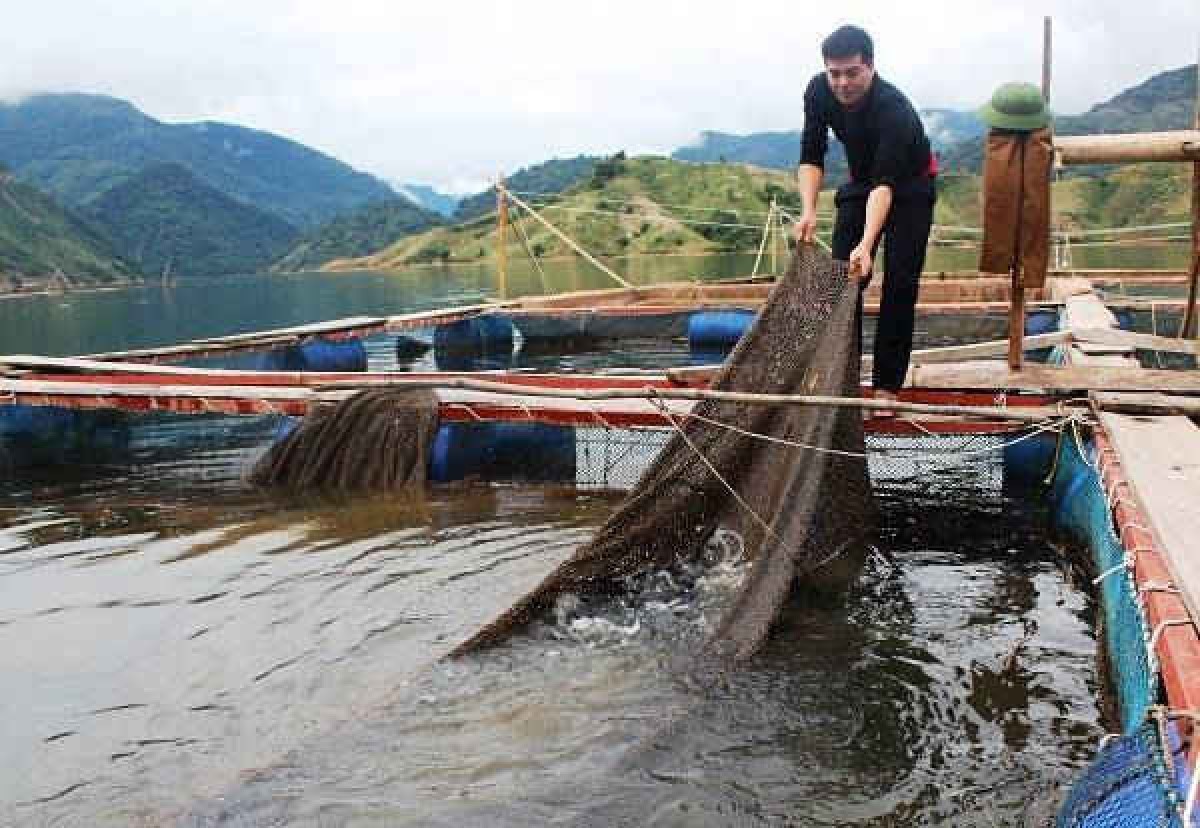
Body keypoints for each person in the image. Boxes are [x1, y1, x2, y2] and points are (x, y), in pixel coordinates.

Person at [793, 24, 937, 410]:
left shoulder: (894, 107)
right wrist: (808, 212)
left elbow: (885, 185)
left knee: (900, 284)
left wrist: (867, 243)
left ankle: (887, 387)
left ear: (870, 66)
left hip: (909, 186)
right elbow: (811, 154)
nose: (842, 83)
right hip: (862, 183)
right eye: (834, 73)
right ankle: (843, 378)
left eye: (851, 73)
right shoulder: (817, 91)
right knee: (844, 279)